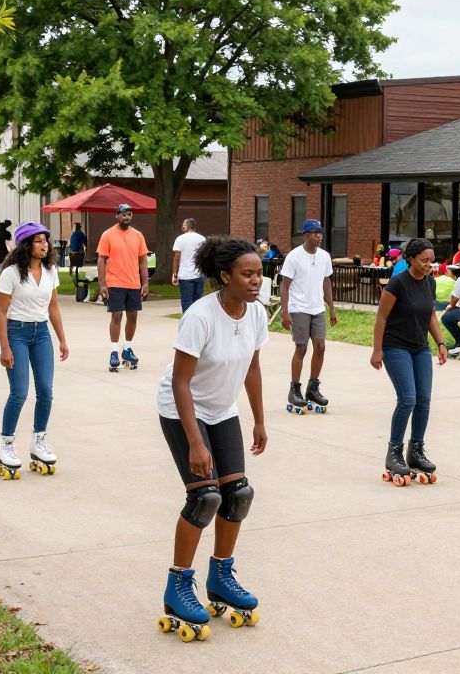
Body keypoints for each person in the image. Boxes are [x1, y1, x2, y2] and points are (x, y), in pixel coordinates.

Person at [155, 236, 267, 641]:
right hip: (183, 408)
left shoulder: (256, 313)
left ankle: (220, 577)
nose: (256, 280)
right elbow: (181, 382)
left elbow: (252, 368)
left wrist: (259, 420)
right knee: (205, 497)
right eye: (247, 274)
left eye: (259, 273)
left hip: (222, 410)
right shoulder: (200, 316)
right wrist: (195, 443)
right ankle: (178, 586)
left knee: (238, 494)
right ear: (225, 276)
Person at [0, 222, 69, 478]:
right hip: (16, 332)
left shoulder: (50, 271)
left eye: (45, 240)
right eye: (38, 240)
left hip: (42, 334)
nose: (44, 244)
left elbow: (53, 307)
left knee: (46, 391)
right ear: (26, 245)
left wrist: (62, 339)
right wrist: (4, 347)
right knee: (19, 393)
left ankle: (39, 440)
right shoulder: (11, 273)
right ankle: (5, 443)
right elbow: (1, 312)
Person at [371, 238, 447, 486]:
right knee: (408, 399)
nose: (429, 265)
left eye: (431, 261)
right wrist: (377, 350)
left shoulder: (429, 282)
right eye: (424, 260)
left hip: (420, 347)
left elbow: (431, 315)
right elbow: (381, 317)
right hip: (395, 347)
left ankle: (416, 451)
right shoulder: (398, 283)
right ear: (411, 259)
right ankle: (394, 453)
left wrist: (441, 342)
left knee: (424, 400)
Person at [279, 219, 337, 413]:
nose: (319, 236)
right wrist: (285, 312)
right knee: (301, 347)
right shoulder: (294, 257)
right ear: (305, 235)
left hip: (317, 308)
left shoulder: (324, 256)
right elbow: (285, 286)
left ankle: (313, 388)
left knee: (320, 346)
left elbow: (326, 282)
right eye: (315, 233)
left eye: (320, 232)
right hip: (298, 308)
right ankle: (294, 390)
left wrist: (332, 307)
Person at [97, 204, 149, 372]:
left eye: (129, 214)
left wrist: (145, 283)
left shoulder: (138, 235)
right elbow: (101, 259)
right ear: (117, 215)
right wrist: (102, 284)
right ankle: (114, 352)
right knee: (117, 316)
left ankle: (127, 349)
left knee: (133, 316)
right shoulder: (108, 234)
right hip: (115, 282)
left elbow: (143, 260)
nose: (127, 217)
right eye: (124, 214)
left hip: (133, 283)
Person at [172, 218, 206, 314]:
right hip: (199, 275)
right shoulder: (202, 239)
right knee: (198, 302)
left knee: (186, 301)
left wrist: (174, 275)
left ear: (187, 227)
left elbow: (176, 259)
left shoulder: (180, 239)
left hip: (185, 276)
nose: (182, 227)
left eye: (183, 225)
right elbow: (205, 257)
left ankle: (188, 321)